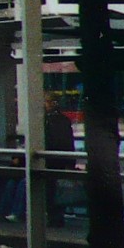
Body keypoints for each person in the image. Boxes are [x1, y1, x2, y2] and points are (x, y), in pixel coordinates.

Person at [44, 91, 77, 228]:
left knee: (52, 189)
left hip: (52, 160)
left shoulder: (48, 120)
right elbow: (69, 142)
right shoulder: (63, 120)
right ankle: (57, 217)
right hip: (60, 159)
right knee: (57, 189)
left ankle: (54, 217)